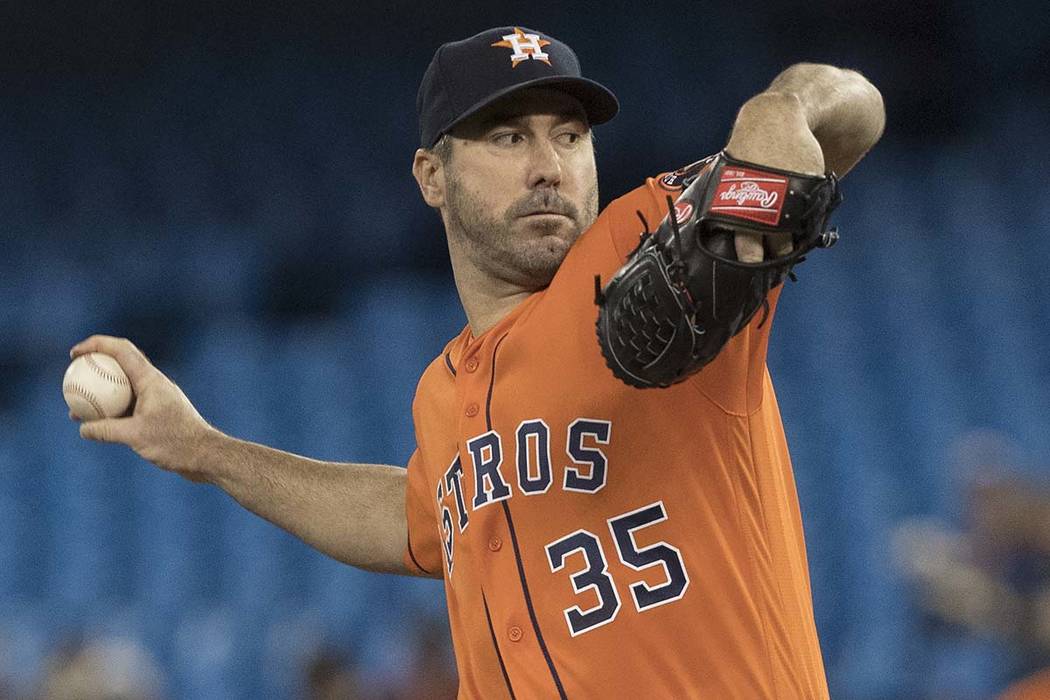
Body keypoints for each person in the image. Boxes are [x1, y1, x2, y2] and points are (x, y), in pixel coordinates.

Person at [70, 26, 884, 698]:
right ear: (432, 175)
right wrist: (203, 450)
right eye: (508, 136)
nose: (548, 165)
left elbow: (853, 113)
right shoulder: (443, 390)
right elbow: (417, 518)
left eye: (570, 136)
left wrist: (783, 108)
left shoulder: (649, 242)